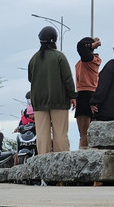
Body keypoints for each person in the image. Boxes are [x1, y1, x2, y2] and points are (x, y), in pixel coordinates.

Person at [27, 25, 77, 156]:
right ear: (54, 40)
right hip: (59, 99)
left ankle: (43, 164)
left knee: (42, 134)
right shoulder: (60, 57)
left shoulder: (34, 59)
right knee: (60, 133)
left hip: (39, 101)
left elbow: (30, 78)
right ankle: (62, 164)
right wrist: (72, 95)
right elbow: (67, 78)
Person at [74, 37, 101, 148]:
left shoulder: (88, 59)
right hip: (93, 94)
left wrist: (92, 45)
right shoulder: (92, 60)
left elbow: (80, 46)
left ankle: (83, 155)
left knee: (84, 134)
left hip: (84, 94)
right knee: (92, 134)